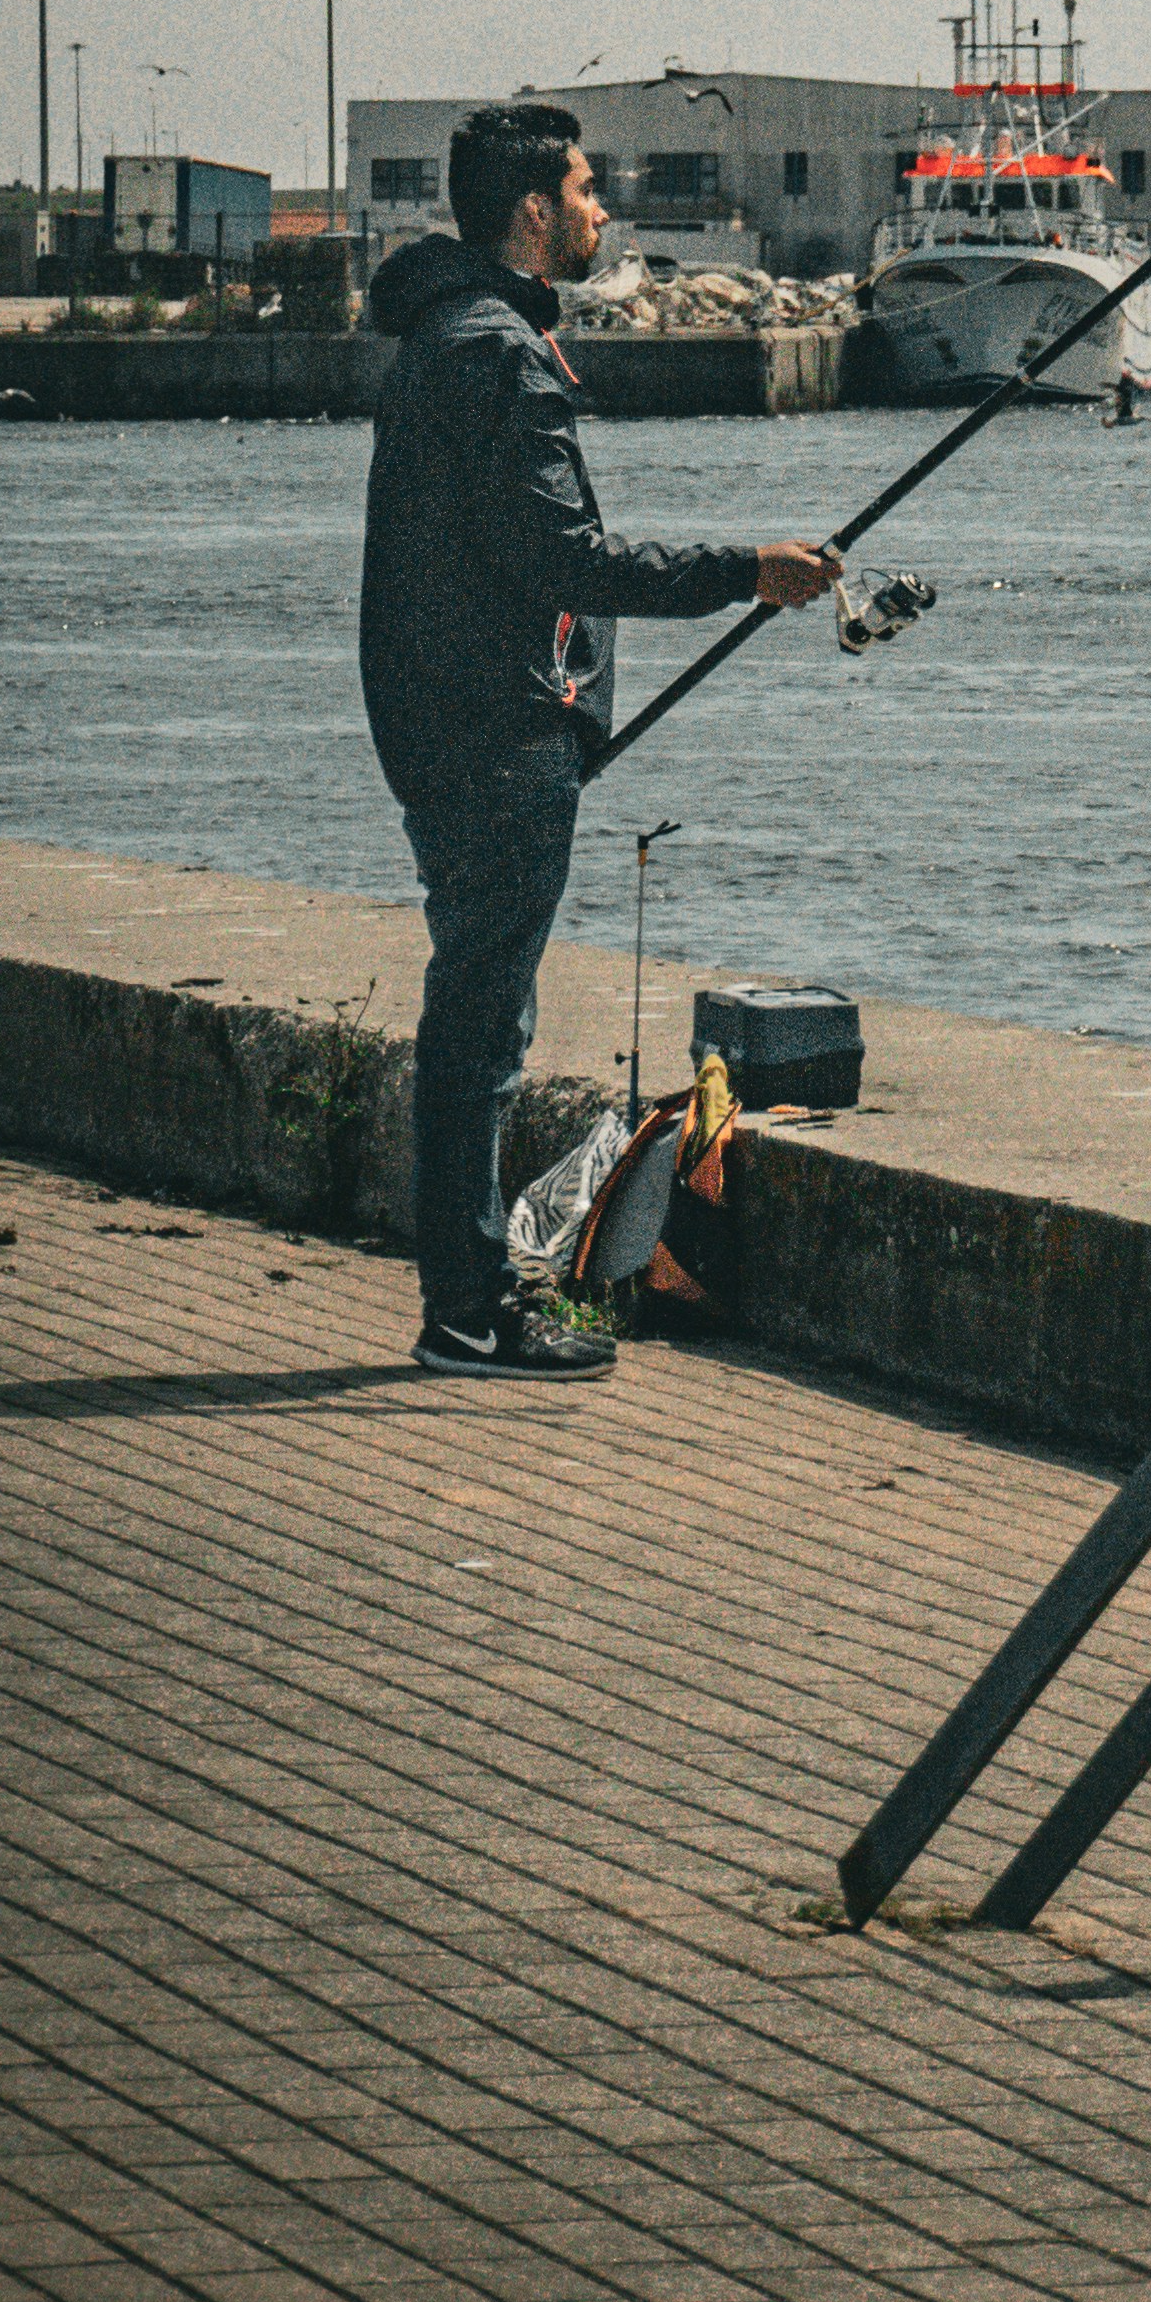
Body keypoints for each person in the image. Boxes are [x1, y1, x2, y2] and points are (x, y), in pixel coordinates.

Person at [359, 102, 839, 1376]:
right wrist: (750, 570)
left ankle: (467, 1297)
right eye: (581, 190)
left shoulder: (446, 338)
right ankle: (466, 1312)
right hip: (494, 735)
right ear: (530, 211)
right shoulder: (498, 356)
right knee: (481, 1030)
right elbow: (566, 560)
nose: (597, 211)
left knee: (475, 1014)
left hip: (454, 724)